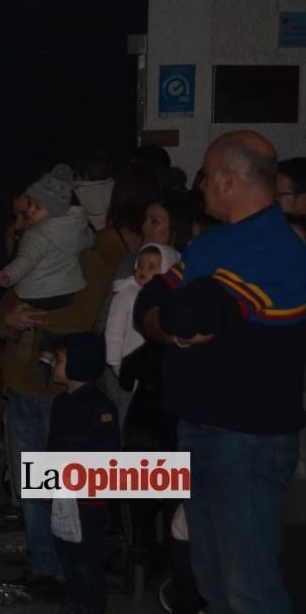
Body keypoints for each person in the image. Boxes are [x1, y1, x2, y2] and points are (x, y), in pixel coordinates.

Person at [135, 130, 306, 613]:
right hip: (200, 428)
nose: (201, 185)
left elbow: (188, 312)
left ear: (228, 180)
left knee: (249, 587)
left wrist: (171, 319)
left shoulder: (275, 247)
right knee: (209, 578)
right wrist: (169, 326)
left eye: (207, 175)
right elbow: (148, 302)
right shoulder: (215, 244)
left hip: (246, 440)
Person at [0, 240, 110, 596]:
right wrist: (12, 320)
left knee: (61, 487)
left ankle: (67, 568)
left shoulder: (87, 259)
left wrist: (30, 317)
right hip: (21, 387)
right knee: (31, 489)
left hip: (56, 394)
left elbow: (82, 316)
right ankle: (42, 567)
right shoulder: (33, 258)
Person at [48, 332, 121, 614]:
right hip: (64, 496)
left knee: (88, 557)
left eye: (59, 359)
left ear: (79, 363)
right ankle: (72, 599)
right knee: (65, 550)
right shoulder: (61, 403)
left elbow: (109, 454)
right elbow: (53, 446)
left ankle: (92, 606)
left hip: (90, 500)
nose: (53, 364)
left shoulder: (101, 407)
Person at [0, 164, 95, 310]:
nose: (17, 225)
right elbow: (0, 313)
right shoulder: (79, 235)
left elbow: (82, 317)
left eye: (24, 214)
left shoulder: (90, 261)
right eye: (15, 216)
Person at [104, 243, 180, 419]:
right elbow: (114, 330)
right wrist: (115, 361)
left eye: (152, 267)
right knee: (128, 411)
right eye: (140, 264)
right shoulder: (126, 294)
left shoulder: (172, 298)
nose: (143, 270)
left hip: (160, 371)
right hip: (130, 365)